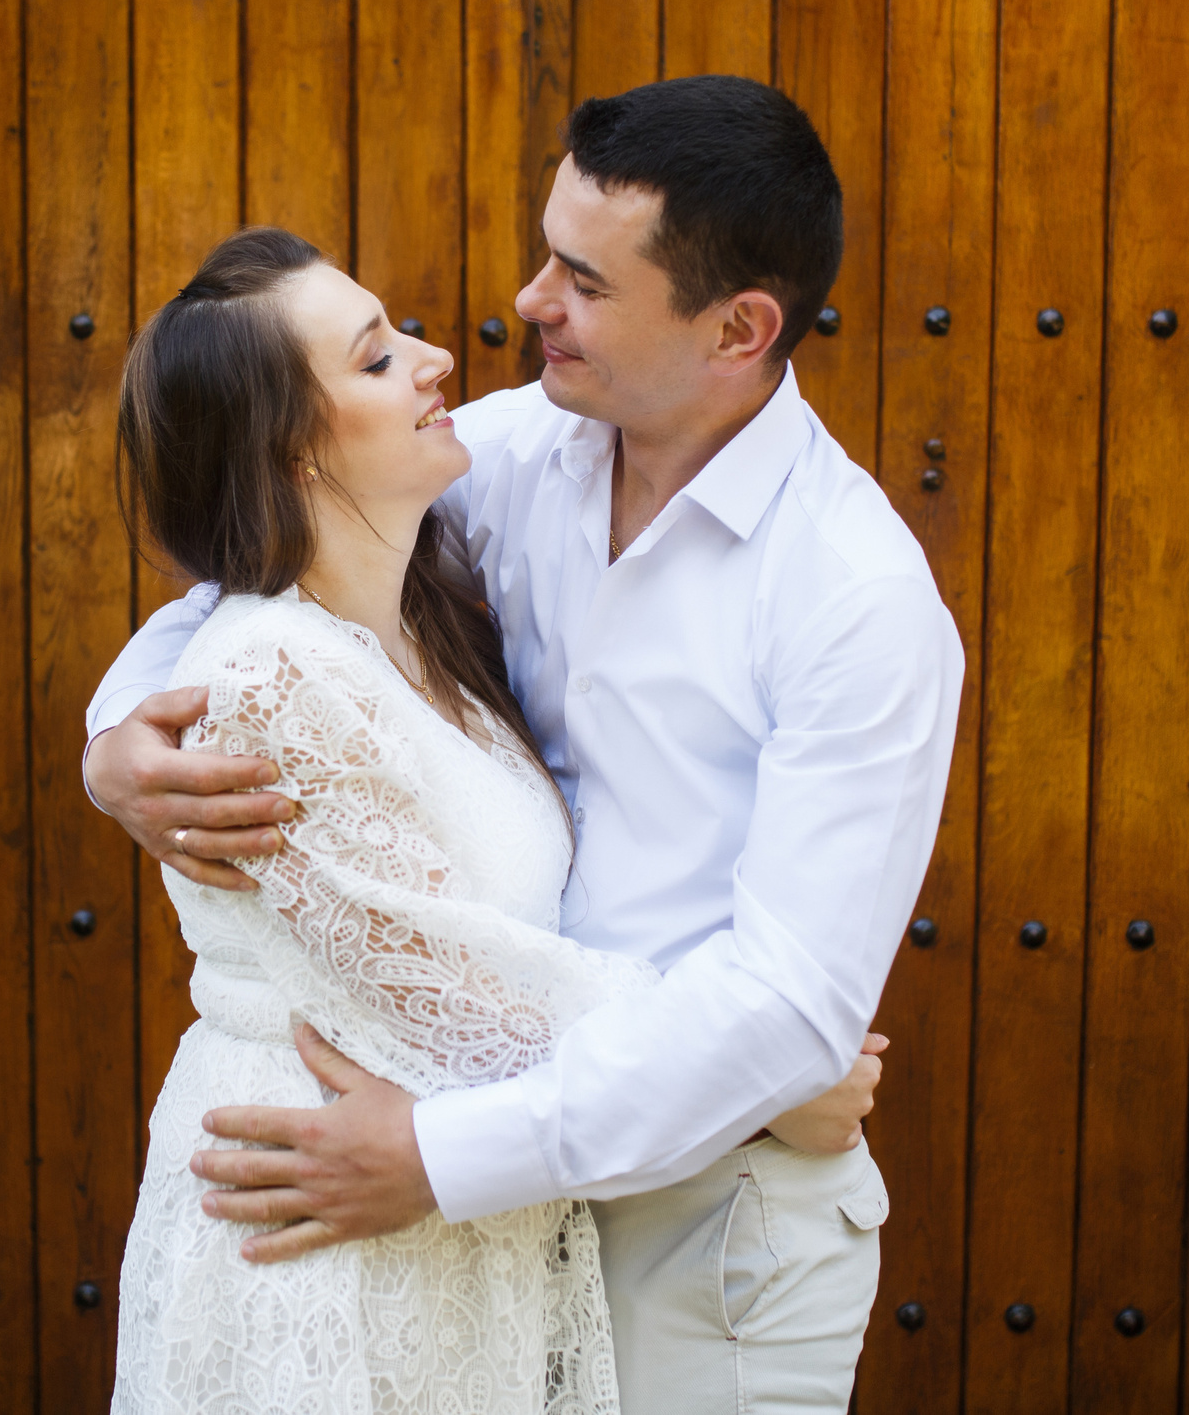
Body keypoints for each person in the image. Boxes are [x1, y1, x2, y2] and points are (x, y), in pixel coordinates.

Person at [93, 75, 964, 1411]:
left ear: (739, 327)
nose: (528, 301)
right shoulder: (505, 458)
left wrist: (456, 1155)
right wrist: (118, 741)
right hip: (461, 1215)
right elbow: (257, 576)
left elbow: (787, 1004)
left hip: (705, 1227)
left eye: (584, 279)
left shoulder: (856, 599)